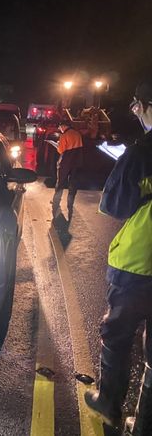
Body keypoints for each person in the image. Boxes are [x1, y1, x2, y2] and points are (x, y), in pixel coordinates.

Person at [84, 80, 152, 435]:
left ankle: (108, 402)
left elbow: (114, 205)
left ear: (144, 106)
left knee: (118, 334)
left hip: (140, 265)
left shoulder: (141, 152)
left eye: (137, 106)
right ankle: (143, 423)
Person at [51, 119, 83, 220]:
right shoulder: (77, 134)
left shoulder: (64, 135)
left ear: (63, 126)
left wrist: (58, 144)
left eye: (60, 127)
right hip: (77, 161)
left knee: (60, 181)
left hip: (66, 161)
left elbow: (61, 150)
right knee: (73, 182)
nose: (60, 129)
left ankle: (56, 201)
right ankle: (70, 202)